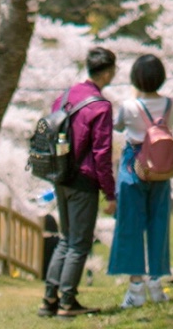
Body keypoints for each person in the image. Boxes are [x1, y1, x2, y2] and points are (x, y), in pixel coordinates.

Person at [41, 44, 117, 319]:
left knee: (65, 239)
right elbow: (102, 153)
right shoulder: (100, 106)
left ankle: (49, 298)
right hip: (83, 181)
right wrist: (110, 193)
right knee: (79, 243)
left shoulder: (65, 97)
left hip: (59, 175)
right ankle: (67, 302)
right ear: (108, 72)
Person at [108, 53, 173, 309]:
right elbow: (168, 126)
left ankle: (136, 287)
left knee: (131, 223)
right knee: (158, 221)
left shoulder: (129, 106)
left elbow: (117, 127)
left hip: (133, 166)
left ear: (135, 78)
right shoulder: (172, 104)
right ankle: (157, 284)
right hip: (161, 167)